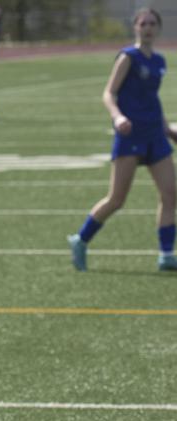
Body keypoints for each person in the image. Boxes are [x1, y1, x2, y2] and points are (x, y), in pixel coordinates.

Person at [68, 8, 177, 272]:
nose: (148, 28)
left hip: (155, 135)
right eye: (143, 23)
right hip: (130, 136)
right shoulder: (128, 57)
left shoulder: (160, 61)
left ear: (158, 28)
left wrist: (168, 130)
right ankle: (80, 240)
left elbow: (152, 99)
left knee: (171, 195)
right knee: (117, 199)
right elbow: (109, 93)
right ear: (135, 27)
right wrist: (117, 117)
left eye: (152, 23)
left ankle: (166, 254)